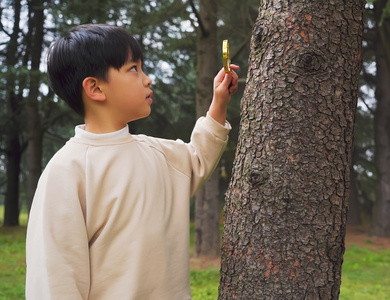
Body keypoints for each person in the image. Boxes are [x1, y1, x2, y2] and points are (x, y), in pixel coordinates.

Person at [25, 24, 239, 299]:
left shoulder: (158, 153)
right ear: (95, 88)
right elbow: (54, 277)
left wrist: (219, 103)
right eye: (133, 69)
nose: (148, 79)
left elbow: (198, 158)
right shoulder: (67, 170)